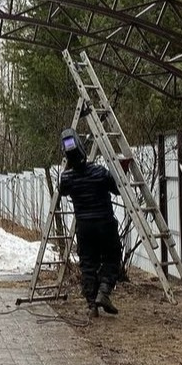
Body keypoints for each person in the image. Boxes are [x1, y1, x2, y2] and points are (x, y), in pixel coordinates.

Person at [57, 127, 122, 315]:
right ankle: (104, 292)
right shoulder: (99, 172)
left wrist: (69, 171)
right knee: (112, 257)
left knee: (88, 264)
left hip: (84, 227)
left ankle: (92, 305)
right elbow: (118, 189)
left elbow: (62, 191)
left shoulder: (67, 178)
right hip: (104, 223)